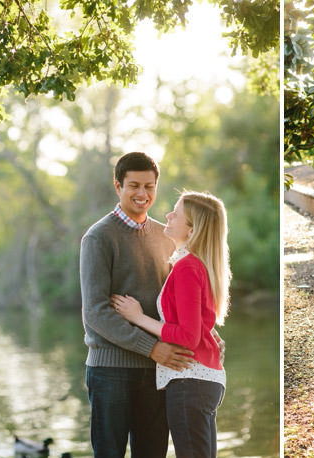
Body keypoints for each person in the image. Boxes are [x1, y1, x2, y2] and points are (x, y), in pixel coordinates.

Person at [79, 152, 202, 458]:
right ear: (117, 186)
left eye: (149, 186)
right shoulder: (98, 237)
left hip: (158, 370)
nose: (142, 194)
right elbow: (95, 311)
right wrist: (151, 346)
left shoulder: (166, 236)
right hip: (110, 370)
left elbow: (179, 301)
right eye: (133, 185)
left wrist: (208, 338)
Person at [112, 190, 230, 458]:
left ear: (191, 230)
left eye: (176, 213)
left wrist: (138, 317)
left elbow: (188, 336)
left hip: (190, 380)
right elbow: (199, 324)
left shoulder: (188, 267)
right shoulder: (198, 265)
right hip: (202, 380)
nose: (168, 215)